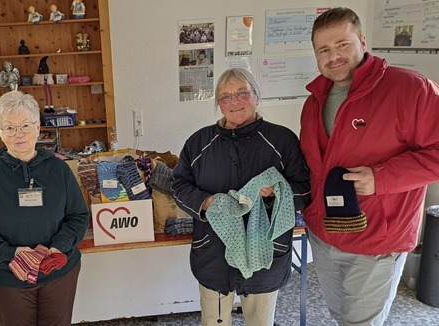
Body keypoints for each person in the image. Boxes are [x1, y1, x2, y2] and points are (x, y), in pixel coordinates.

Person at [300, 7, 439, 326]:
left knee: (360, 322)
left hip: (377, 239)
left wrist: (381, 179)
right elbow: (312, 164)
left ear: (362, 40)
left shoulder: (411, 90)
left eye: (342, 44)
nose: (333, 56)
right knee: (341, 316)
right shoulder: (314, 101)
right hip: (324, 236)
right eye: (324, 49)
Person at [172, 68, 311, 326]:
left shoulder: (282, 141)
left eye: (242, 93)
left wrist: (275, 197)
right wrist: (207, 202)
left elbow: (304, 189)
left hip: (265, 257)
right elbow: (178, 185)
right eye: (225, 97)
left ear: (257, 96)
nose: (234, 102)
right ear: (218, 104)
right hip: (213, 255)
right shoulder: (199, 143)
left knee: (260, 322)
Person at [0, 90, 89, 326]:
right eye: (9, 128)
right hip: (8, 277)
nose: (18, 134)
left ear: (38, 127)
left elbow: (78, 216)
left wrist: (56, 248)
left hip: (58, 272)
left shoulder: (59, 169)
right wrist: (10, 253)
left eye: (25, 125)